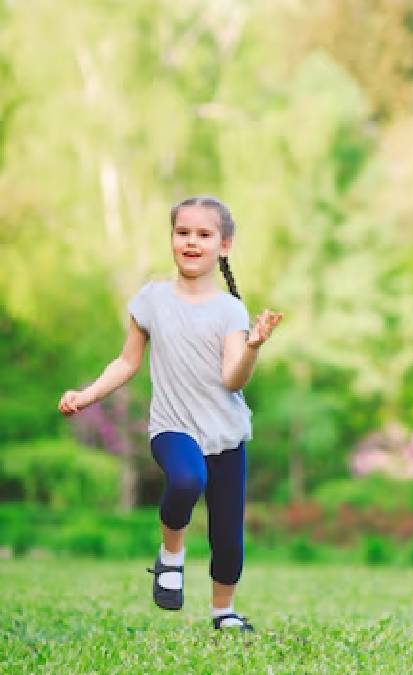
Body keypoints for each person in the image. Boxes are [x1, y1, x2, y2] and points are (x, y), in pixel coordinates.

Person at [58, 196, 281, 632]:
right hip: (172, 425)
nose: (192, 242)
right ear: (172, 239)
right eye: (183, 233)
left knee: (228, 537)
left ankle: (224, 613)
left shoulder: (229, 310)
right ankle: (171, 556)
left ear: (224, 245)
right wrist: (87, 396)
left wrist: (252, 346)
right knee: (186, 479)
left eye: (204, 234)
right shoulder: (152, 300)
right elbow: (126, 362)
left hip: (226, 433)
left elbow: (233, 379)